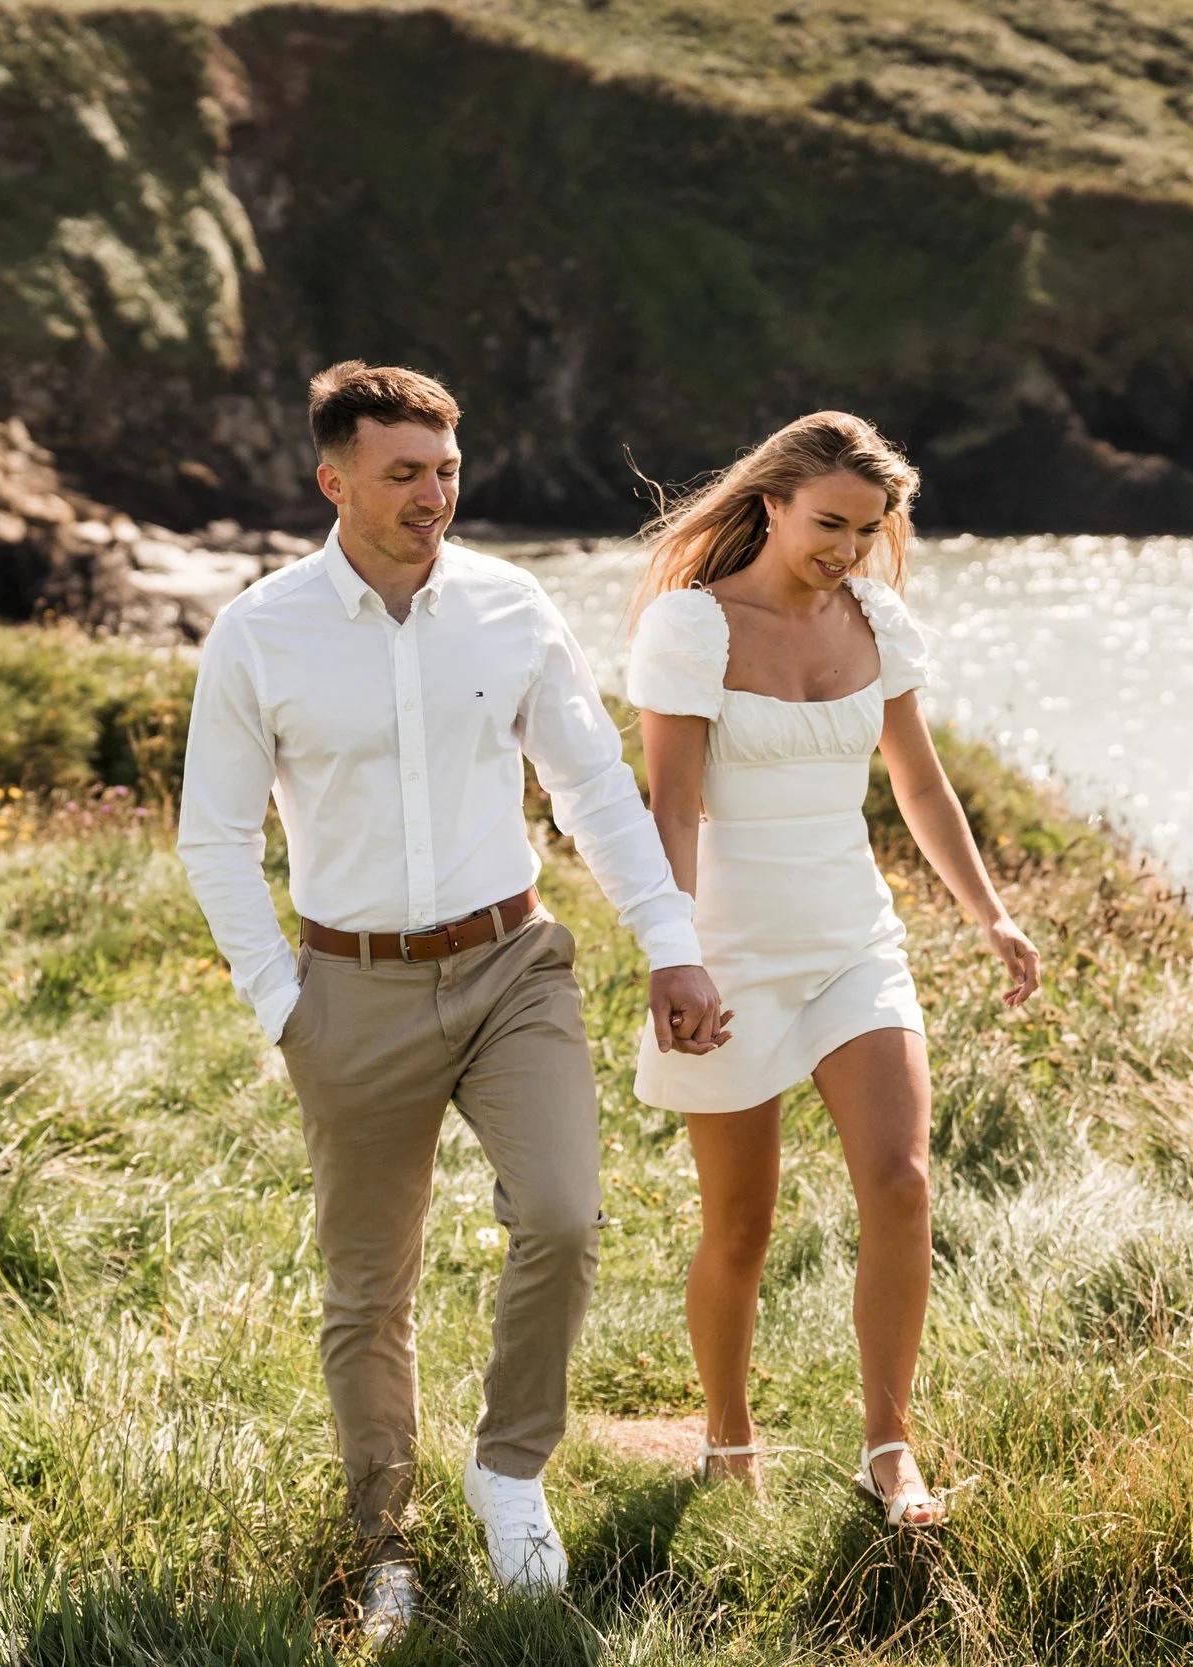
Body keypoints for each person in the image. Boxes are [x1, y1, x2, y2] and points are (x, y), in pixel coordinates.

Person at [176, 361, 726, 1645]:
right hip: (346, 989)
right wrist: (283, 1003)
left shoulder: (510, 604)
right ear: (334, 481)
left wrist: (672, 946)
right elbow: (213, 839)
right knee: (368, 1288)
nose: (435, 494)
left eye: (447, 469)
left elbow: (592, 789)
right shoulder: (260, 631)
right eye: (404, 473)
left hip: (510, 965)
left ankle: (511, 1469)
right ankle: (385, 1539)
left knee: (564, 1214)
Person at [623, 412, 1040, 1527]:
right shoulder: (692, 627)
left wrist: (989, 915)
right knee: (741, 1224)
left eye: (866, 529)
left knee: (902, 1181)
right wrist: (674, 956)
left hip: (855, 940)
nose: (846, 549)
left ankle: (888, 1447)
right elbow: (668, 803)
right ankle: (725, 1436)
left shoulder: (877, 620)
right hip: (727, 952)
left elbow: (918, 782)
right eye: (827, 524)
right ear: (770, 504)